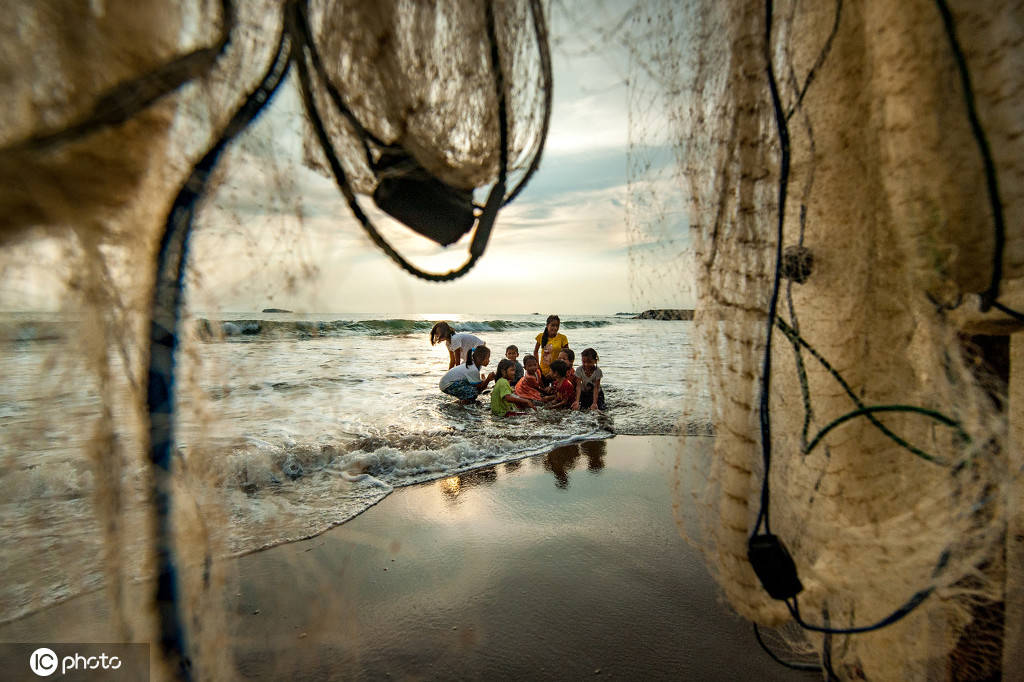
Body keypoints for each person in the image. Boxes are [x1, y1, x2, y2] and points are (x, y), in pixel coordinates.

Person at [533, 314, 568, 383]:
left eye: (557, 326)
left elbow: (567, 356)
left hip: (557, 372)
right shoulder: (541, 336)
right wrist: (537, 366)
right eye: (552, 325)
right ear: (547, 325)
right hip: (543, 371)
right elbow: (535, 351)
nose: (555, 328)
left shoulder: (562, 338)